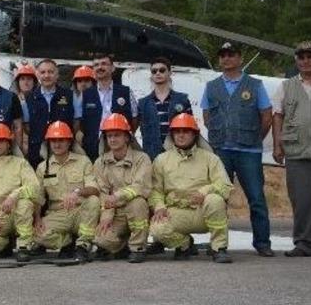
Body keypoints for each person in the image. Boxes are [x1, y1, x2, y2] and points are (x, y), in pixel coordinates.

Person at [201, 41, 274, 256]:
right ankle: (219, 244)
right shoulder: (211, 86)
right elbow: (207, 117)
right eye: (222, 55)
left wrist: (252, 137)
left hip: (249, 152)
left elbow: (267, 116)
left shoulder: (255, 85)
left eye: (231, 54)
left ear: (240, 58)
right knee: (218, 199)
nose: (226, 58)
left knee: (256, 198)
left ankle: (263, 243)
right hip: (221, 151)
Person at [149, 113, 233, 263]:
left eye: (186, 131)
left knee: (215, 200)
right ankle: (184, 245)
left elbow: (225, 185)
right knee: (157, 229)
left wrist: (205, 191)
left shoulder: (210, 158)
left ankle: (219, 248)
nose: (181, 135)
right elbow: (156, 191)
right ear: (172, 135)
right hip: (175, 213)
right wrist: (159, 207)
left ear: (195, 135)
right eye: (177, 131)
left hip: (202, 213)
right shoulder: (161, 160)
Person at [271, 40, 311, 257]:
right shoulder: (286, 86)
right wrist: (277, 144)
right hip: (297, 152)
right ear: (296, 60)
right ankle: (305, 243)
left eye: (310, 56)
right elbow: (277, 115)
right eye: (301, 57)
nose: (306, 61)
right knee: (302, 200)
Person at [33, 121, 99, 262]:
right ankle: (67, 242)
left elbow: (94, 189)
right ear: (49, 143)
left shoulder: (83, 161)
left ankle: (83, 245)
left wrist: (77, 192)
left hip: (81, 211)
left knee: (93, 201)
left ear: (69, 142)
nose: (57, 144)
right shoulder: (42, 167)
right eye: (53, 141)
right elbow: (38, 197)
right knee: (35, 234)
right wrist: (37, 218)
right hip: (58, 213)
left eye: (61, 140)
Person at [0, 123, 39, 262]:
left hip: (18, 212)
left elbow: (34, 187)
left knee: (25, 203)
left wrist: (14, 196)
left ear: (9, 143)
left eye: (1, 141)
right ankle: (5, 245)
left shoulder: (21, 163)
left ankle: (24, 245)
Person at [93, 113, 152, 263]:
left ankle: (138, 247)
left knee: (137, 202)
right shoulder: (100, 163)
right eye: (109, 136)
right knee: (100, 240)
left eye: (117, 135)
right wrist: (106, 217)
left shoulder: (142, 158)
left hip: (137, 209)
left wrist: (118, 196)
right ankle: (123, 245)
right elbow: (103, 193)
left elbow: (141, 187)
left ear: (127, 137)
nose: (112, 139)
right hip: (115, 213)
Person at [76, 54, 138, 163]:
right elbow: (80, 121)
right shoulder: (85, 94)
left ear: (112, 68)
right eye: (96, 65)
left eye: (104, 64)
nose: (100, 67)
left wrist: (125, 136)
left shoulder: (126, 91)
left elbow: (135, 118)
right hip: (93, 147)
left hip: (121, 147)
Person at [137, 57, 192, 161]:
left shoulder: (182, 100)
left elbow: (191, 128)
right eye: (154, 71)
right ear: (151, 75)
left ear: (170, 73)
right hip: (152, 155)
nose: (158, 73)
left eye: (162, 70)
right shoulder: (142, 103)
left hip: (178, 153)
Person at [26, 59, 74, 168]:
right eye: (43, 72)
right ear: (37, 74)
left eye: (51, 72)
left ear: (57, 75)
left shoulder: (69, 96)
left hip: (64, 150)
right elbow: (26, 126)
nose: (47, 76)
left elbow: (75, 122)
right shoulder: (28, 98)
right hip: (37, 153)